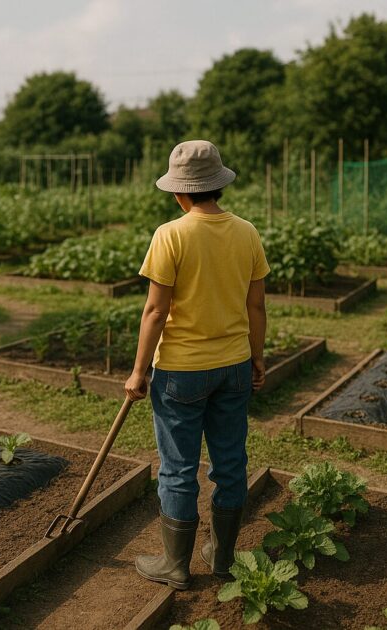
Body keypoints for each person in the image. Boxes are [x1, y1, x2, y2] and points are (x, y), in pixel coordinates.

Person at [124, 140, 269, 589]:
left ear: (179, 192)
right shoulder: (246, 232)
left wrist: (138, 371)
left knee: (178, 467)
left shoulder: (171, 235)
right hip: (234, 366)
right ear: (218, 184)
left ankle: (175, 564)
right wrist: (258, 356)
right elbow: (256, 306)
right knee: (230, 462)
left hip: (181, 372)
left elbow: (155, 311)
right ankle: (222, 557)